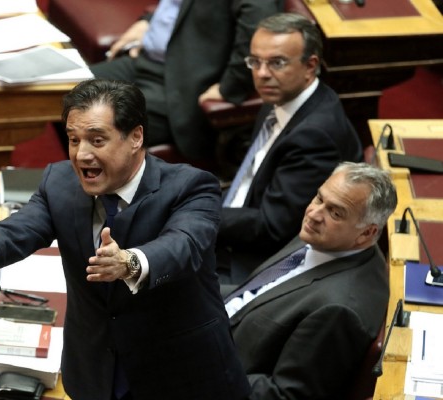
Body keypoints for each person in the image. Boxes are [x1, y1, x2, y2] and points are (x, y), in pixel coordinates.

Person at [0, 79, 250, 400]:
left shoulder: (191, 187)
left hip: (181, 377)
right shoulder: (59, 181)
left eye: (97, 140)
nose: (82, 154)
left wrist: (130, 263)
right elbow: (24, 226)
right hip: (94, 372)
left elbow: (184, 245)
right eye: (73, 140)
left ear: (135, 137)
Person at [225, 161, 397, 400]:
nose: (314, 214)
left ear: (367, 233)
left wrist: (205, 369)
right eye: (319, 198)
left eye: (335, 213)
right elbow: (258, 293)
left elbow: (285, 395)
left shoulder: (338, 310)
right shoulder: (329, 238)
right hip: (217, 326)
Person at [216, 12, 364, 284]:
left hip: (251, 262)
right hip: (239, 216)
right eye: (255, 62)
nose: (262, 74)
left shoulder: (314, 136)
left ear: (310, 66)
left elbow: (271, 227)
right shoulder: (282, 97)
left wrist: (203, 216)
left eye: (277, 63)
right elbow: (253, 175)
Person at [89, 0, 283, 161]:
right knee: (72, 90)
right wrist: (148, 22)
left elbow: (259, 32)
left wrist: (230, 87)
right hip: (143, 61)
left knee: (93, 121)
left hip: (179, 85)